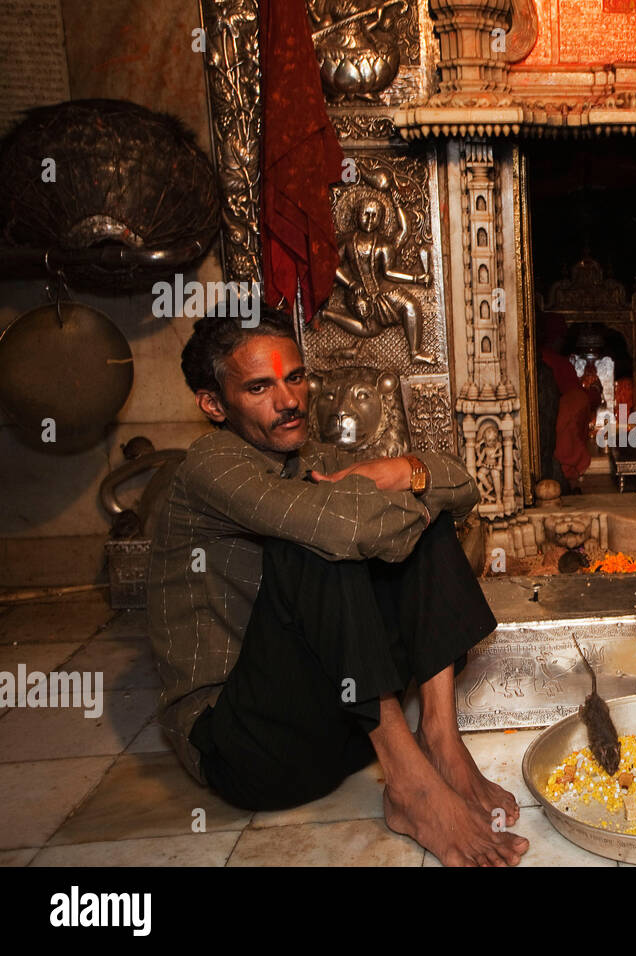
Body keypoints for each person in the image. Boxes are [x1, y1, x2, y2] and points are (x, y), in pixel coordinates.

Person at [147, 311, 528, 866]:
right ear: (213, 404)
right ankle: (411, 788)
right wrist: (397, 493)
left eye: (295, 377)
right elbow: (339, 529)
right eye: (260, 387)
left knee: (422, 515)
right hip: (245, 746)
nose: (289, 400)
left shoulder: (312, 458)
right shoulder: (210, 464)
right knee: (319, 539)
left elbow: (463, 486)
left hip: (341, 730)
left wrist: (404, 472)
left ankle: (441, 741)